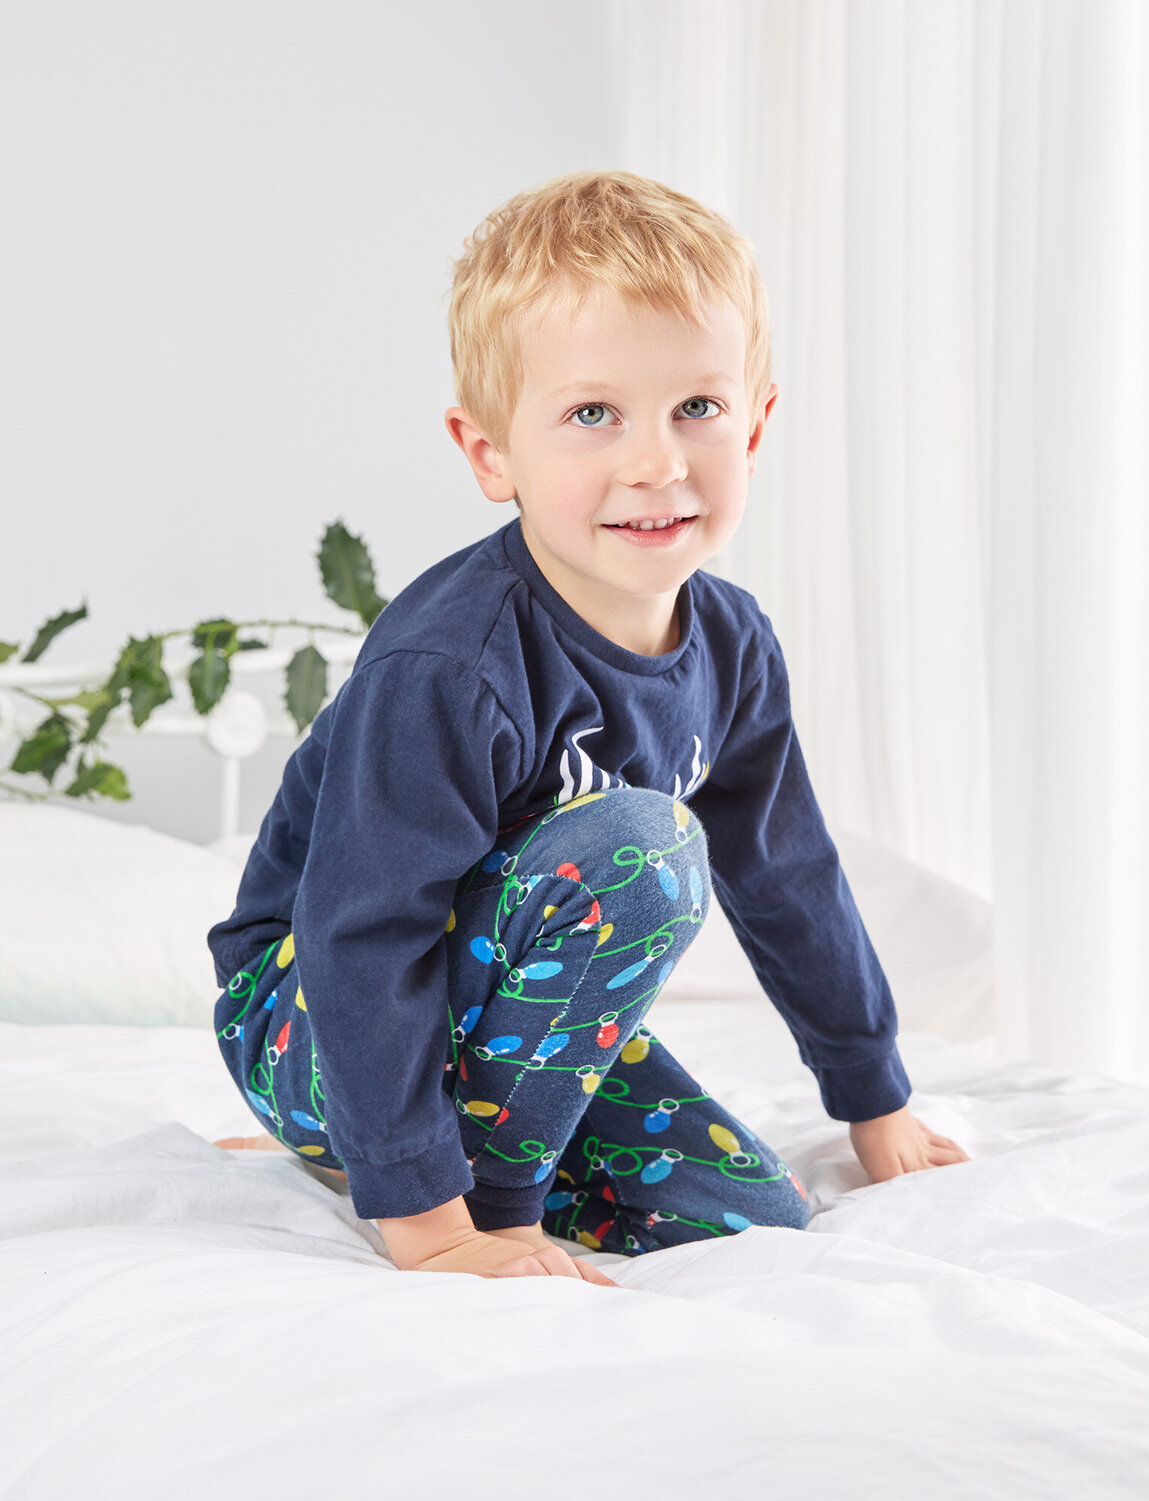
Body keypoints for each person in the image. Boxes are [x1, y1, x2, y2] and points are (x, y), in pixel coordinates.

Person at [209, 170, 969, 1288]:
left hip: (510, 1021)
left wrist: (874, 1094)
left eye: (697, 408)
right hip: (314, 1008)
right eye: (591, 415)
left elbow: (788, 874)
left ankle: (422, 1145)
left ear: (756, 425)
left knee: (754, 1217)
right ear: (491, 454)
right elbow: (361, 932)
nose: (656, 462)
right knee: (643, 851)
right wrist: (435, 1223)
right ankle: (394, 1155)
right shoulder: (450, 667)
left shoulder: (733, 646)